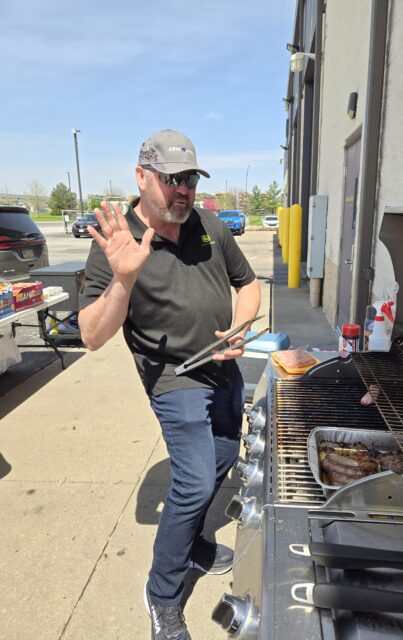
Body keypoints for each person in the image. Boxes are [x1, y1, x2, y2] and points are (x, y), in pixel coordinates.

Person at [78, 129, 261, 640]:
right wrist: (124, 278)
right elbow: (92, 335)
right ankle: (162, 595)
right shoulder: (115, 241)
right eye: (171, 180)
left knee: (226, 459)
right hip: (174, 379)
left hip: (223, 366)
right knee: (197, 479)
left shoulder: (207, 223)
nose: (183, 191)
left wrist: (241, 329)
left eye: (190, 180)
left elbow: (248, 285)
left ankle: (195, 546)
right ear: (142, 176)